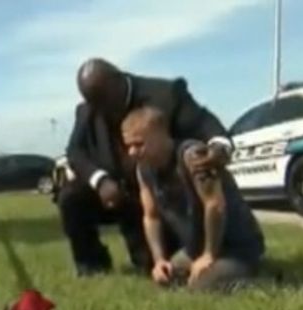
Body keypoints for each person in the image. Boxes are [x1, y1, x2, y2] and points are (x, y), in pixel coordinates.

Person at [59, 58, 233, 276]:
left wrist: (219, 147)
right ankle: (92, 265)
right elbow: (75, 152)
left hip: (156, 195)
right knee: (71, 196)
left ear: (119, 81)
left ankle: (185, 249)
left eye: (105, 100)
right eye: (94, 103)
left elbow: (204, 124)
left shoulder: (166, 94)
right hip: (113, 191)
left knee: (149, 264)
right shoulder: (88, 111)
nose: (102, 110)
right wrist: (100, 181)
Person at [121, 105, 266, 292]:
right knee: (168, 279)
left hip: (236, 246)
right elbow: (151, 216)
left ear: (161, 136)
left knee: (201, 286)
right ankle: (216, 269)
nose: (132, 152)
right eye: (128, 146)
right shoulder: (143, 169)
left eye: (139, 144)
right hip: (195, 247)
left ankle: (261, 279)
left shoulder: (193, 157)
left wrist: (208, 255)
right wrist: (159, 260)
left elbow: (215, 205)